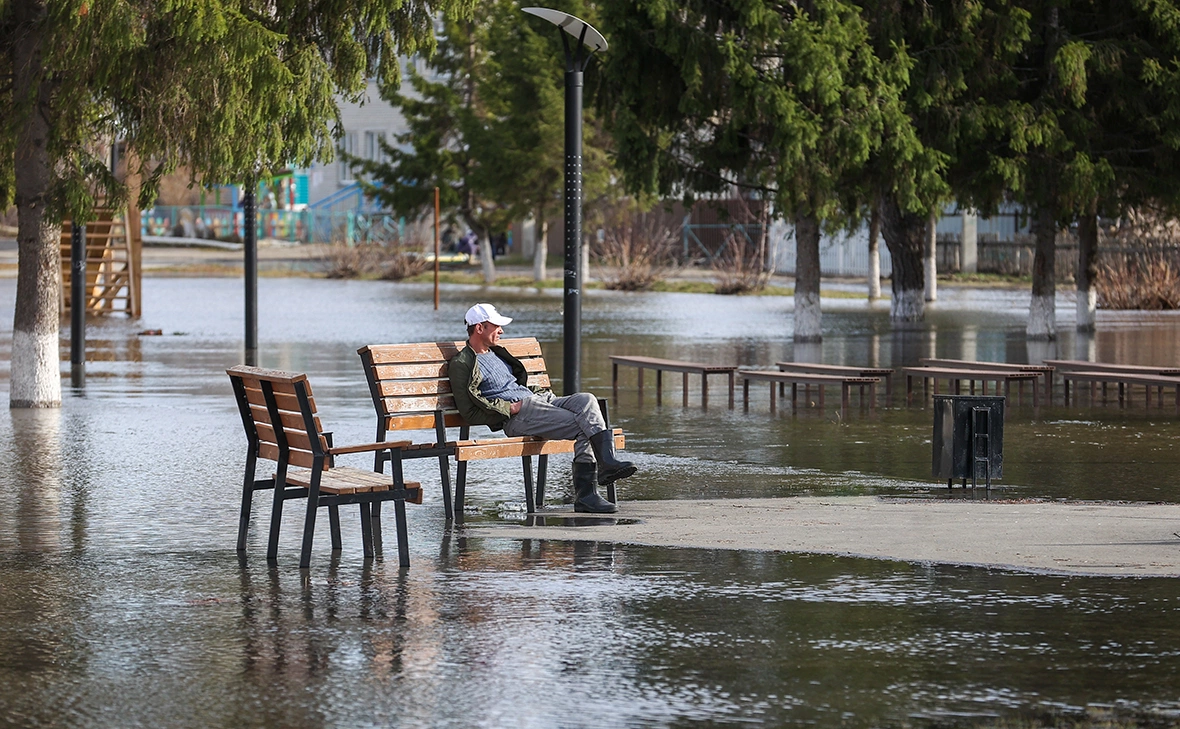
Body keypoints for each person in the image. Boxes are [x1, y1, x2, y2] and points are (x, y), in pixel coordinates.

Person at [449, 303, 635, 513]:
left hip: (538, 400)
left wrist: (535, 394)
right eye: (496, 326)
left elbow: (517, 385)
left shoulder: (497, 353)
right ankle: (588, 493)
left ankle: (606, 465)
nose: (501, 331)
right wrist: (509, 408)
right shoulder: (462, 363)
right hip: (519, 416)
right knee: (586, 425)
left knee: (587, 400)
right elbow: (468, 412)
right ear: (480, 328)